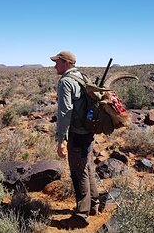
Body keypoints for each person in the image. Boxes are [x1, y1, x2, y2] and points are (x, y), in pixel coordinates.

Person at [50, 50, 99, 230]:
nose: (55, 65)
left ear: (67, 63)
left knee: (79, 173)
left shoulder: (66, 81)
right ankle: (93, 205)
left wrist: (61, 139)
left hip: (77, 134)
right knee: (87, 168)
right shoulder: (82, 76)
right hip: (88, 131)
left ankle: (80, 216)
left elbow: (64, 113)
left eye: (58, 62)